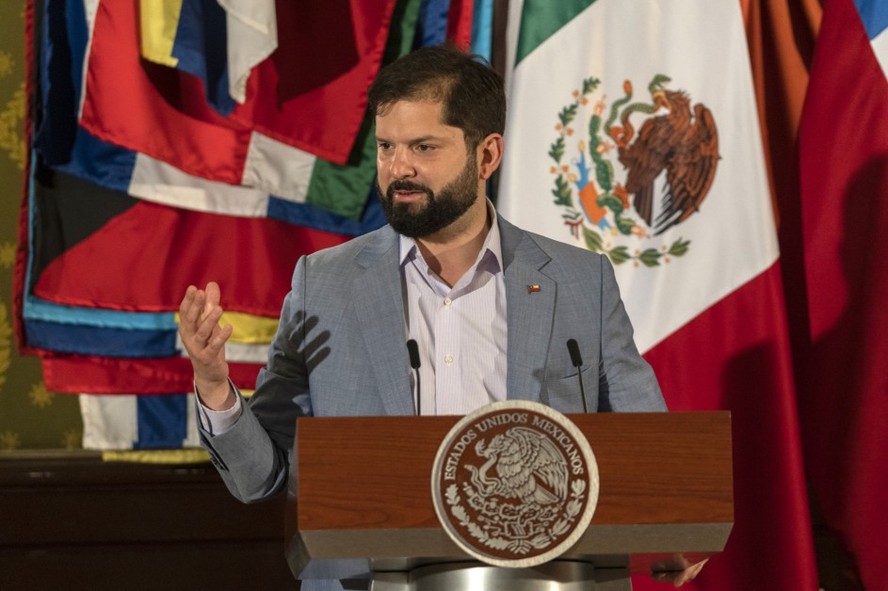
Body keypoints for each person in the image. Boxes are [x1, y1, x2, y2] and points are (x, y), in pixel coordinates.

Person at [179, 45, 698, 588]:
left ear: (487, 155)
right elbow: (258, 479)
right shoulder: (324, 284)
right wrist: (215, 387)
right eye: (386, 147)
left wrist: (676, 518)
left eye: (423, 147)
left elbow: (648, 448)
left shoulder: (578, 281)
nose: (398, 167)